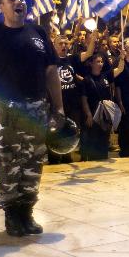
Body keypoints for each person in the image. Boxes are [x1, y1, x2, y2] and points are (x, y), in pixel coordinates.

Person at [0, 0, 64, 237]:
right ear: (1, 6)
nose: (18, 2)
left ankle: (27, 212)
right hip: (4, 111)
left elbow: (51, 73)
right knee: (7, 164)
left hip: (36, 109)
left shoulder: (38, 33)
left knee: (33, 163)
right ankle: (12, 215)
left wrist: (58, 108)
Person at [50, 32, 97, 164]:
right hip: (56, 103)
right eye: (60, 43)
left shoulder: (72, 59)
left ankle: (67, 157)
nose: (64, 46)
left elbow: (88, 54)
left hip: (72, 103)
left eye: (66, 43)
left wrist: (93, 40)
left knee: (70, 131)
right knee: (55, 131)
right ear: (54, 46)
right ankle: (54, 159)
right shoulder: (50, 60)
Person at [81, 51, 125, 160]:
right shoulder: (86, 79)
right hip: (93, 115)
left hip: (104, 115)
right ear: (91, 63)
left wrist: (122, 58)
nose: (100, 64)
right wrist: (88, 115)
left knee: (104, 141)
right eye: (97, 62)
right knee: (93, 141)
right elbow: (84, 99)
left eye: (101, 62)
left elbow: (120, 69)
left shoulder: (106, 76)